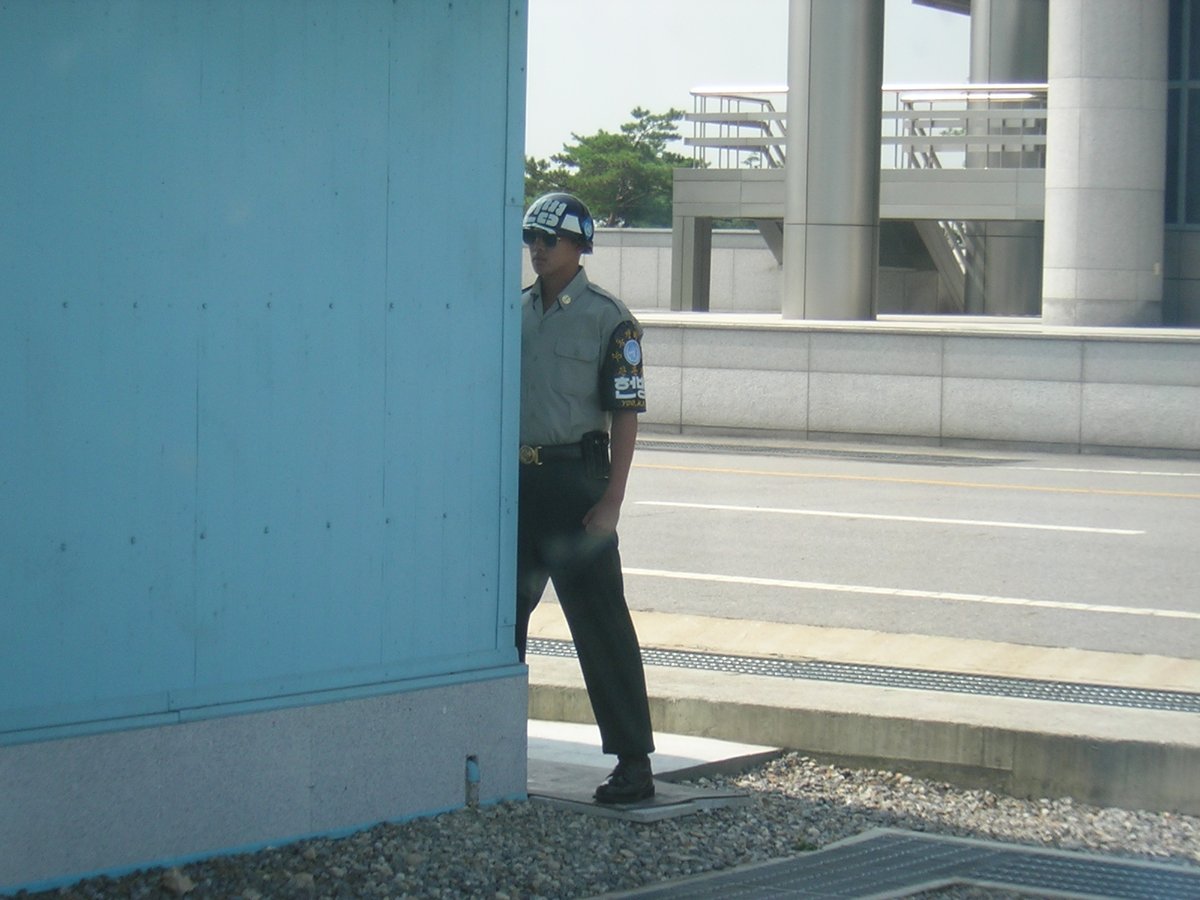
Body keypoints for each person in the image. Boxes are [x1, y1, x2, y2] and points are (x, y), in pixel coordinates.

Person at [516, 192, 656, 804]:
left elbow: (625, 414)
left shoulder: (608, 319)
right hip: (517, 485)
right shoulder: (511, 310)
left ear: (580, 246)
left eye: (549, 239)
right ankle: (493, 745)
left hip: (578, 487)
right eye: (532, 239)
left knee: (600, 625)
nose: (538, 249)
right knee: (501, 626)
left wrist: (612, 503)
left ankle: (633, 762)